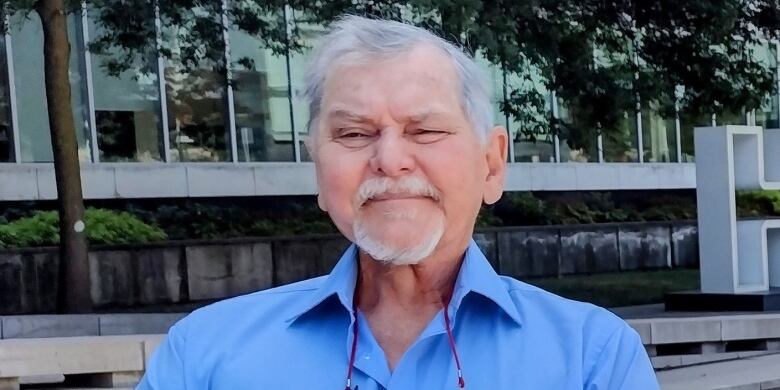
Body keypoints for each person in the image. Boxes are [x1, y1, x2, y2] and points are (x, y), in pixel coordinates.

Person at [137, 15, 658, 390]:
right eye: (354, 133)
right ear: (319, 169)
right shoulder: (204, 357)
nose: (389, 159)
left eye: (425, 130)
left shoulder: (593, 359)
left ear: (491, 164)